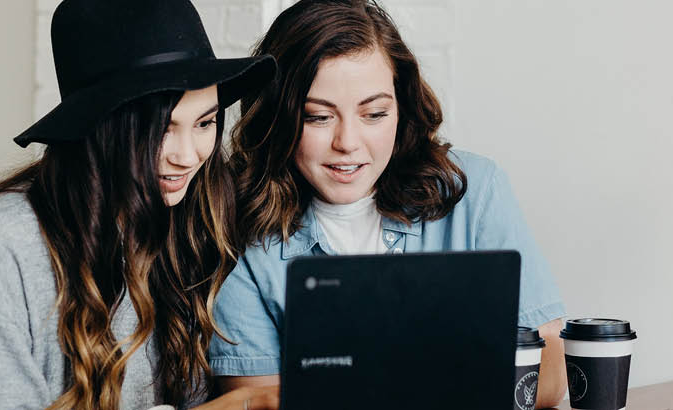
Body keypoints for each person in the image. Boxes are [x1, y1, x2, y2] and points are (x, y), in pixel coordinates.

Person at [0, 1, 278, 409]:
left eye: (205, 123)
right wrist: (245, 403)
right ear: (99, 128)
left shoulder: (186, 224)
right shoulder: (2, 243)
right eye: (160, 129)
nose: (188, 156)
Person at [209, 0, 568, 407]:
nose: (348, 143)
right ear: (277, 119)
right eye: (318, 117)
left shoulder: (474, 191)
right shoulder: (239, 230)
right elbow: (258, 399)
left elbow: (550, 371)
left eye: (375, 113)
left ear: (402, 107)